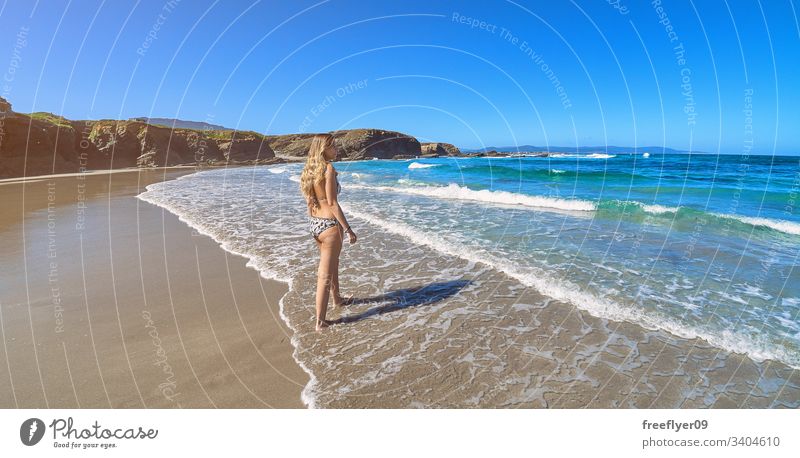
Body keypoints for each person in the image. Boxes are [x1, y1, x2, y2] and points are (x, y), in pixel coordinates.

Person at [299, 133, 358, 331]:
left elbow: (310, 202)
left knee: (332, 265)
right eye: (333, 146)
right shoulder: (329, 169)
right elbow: (332, 203)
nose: (336, 149)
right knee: (324, 275)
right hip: (330, 226)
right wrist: (348, 229)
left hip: (315, 224)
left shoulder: (309, 170)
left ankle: (337, 299)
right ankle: (321, 322)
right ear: (324, 148)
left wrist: (313, 225)